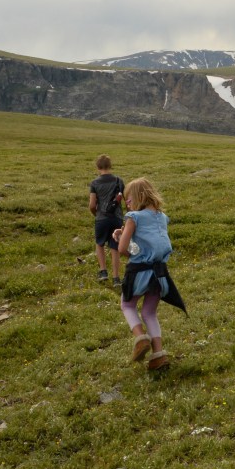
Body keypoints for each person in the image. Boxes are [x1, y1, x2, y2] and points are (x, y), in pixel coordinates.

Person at [113, 178, 186, 371]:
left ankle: (140, 338)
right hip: (160, 274)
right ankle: (158, 355)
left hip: (139, 272)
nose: (126, 203)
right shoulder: (162, 217)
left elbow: (122, 249)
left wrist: (121, 236)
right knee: (149, 313)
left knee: (127, 305)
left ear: (138, 197)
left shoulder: (133, 217)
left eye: (128, 199)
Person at [88, 154, 124, 284]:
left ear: (98, 167)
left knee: (99, 244)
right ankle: (116, 278)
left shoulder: (95, 183)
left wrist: (96, 214)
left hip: (101, 218)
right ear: (110, 166)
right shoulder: (119, 181)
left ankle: (103, 271)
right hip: (117, 217)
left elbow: (92, 205)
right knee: (115, 247)